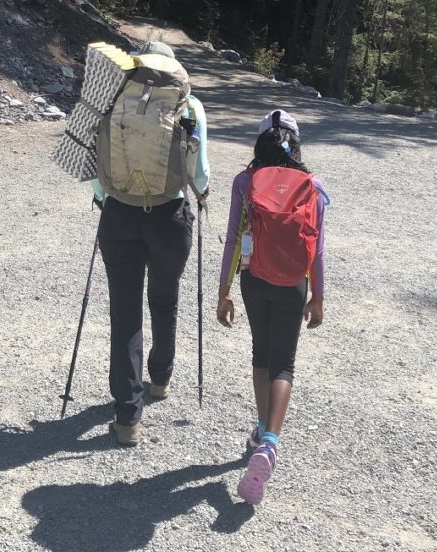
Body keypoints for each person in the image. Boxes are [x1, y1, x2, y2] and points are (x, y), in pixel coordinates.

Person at [91, 40, 209, 446]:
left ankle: (127, 417)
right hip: (169, 216)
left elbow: (96, 163)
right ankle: (160, 377)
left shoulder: (114, 96)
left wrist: (103, 196)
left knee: (124, 314)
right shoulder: (188, 105)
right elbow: (202, 174)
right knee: (164, 297)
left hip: (119, 213)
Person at [216, 109, 327, 505]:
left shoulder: (245, 181)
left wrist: (223, 290)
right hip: (293, 283)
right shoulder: (313, 186)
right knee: (285, 363)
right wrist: (317, 296)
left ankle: (262, 427)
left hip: (253, 278)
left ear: (260, 142)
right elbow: (317, 247)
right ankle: (269, 444)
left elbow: (232, 239)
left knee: (260, 354)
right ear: (295, 145)